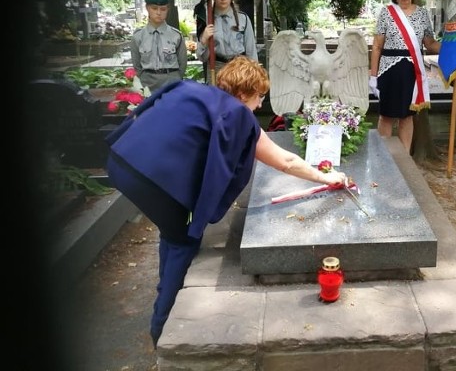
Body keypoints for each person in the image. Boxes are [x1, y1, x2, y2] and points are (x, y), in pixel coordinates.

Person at [104, 56, 346, 348]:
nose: (259, 106)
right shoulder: (237, 114)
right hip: (150, 180)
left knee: (172, 228)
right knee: (184, 239)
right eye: (259, 97)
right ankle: (162, 324)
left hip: (120, 162)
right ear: (244, 94)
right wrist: (327, 178)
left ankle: (163, 284)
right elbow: (285, 161)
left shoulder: (188, 88)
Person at [368, 0, 441, 153]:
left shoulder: (422, 14)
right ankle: (382, 156)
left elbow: (430, 44)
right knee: (386, 116)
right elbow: (377, 46)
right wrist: (373, 76)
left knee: (406, 117)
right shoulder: (387, 12)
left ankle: (404, 159)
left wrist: (452, 49)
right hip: (389, 70)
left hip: (411, 71)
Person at [194, 0, 258, 82]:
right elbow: (202, 58)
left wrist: (254, 76)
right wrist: (204, 40)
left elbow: (251, 51)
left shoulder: (243, 19)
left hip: (239, 69)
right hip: (217, 70)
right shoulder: (206, 21)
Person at [130, 0, 187, 92]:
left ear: (168, 9)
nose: (158, 12)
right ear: (147, 8)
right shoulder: (138, 36)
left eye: (163, 9)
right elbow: (137, 65)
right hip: (148, 84)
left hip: (172, 82)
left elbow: (182, 64)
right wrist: (143, 80)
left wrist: (176, 78)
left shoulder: (176, 35)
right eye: (154, 8)